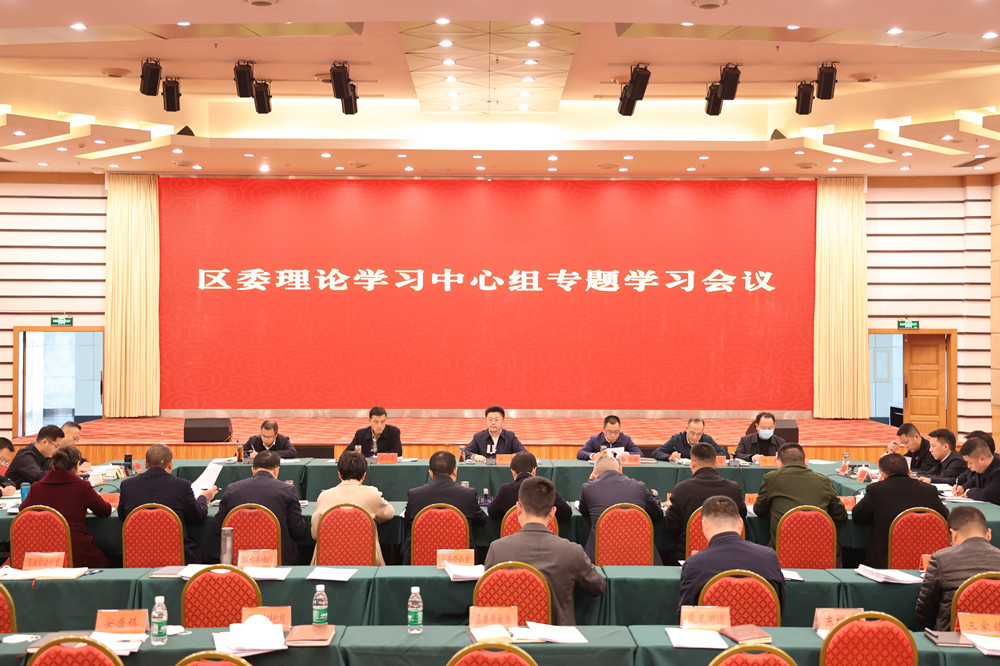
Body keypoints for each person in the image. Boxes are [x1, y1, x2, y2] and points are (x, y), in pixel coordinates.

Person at [484, 476, 606, 625]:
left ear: (518, 508)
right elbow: (598, 586)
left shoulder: (497, 549)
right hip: (558, 637)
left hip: (511, 636)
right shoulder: (572, 551)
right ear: (553, 512)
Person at [678, 496, 785, 611]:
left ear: (704, 524)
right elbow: (779, 608)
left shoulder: (695, 564)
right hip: (762, 622)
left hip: (714, 623)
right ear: (740, 523)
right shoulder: (769, 557)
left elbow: (686, 615)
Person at [117, 444, 218, 564]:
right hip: (179, 557)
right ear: (171, 464)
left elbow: (123, 516)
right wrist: (203, 498)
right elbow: (198, 516)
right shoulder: (182, 486)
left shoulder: (127, 485)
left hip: (136, 557)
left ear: (146, 464)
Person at [852, 453, 949, 568]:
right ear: (909, 472)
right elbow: (945, 517)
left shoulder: (876, 489)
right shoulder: (929, 490)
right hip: (925, 559)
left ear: (883, 474)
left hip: (885, 561)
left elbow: (858, 516)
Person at [21, 444, 111, 567]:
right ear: (77, 466)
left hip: (42, 553)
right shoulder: (82, 487)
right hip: (75, 552)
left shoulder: (37, 487)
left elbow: (23, 511)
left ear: (53, 465)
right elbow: (105, 511)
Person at [214, 451, 308, 565]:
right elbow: (298, 530)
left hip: (238, 559)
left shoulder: (232, 489)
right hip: (279, 559)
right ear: (277, 470)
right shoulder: (287, 490)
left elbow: (219, 527)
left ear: (253, 470)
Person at [915, 506, 1000, 631]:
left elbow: (925, 614)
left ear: (953, 534)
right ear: (988, 534)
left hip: (951, 638)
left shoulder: (941, 559)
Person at [753, 443, 848, 546]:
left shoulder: (771, 478)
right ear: (805, 462)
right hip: (819, 549)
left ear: (779, 462)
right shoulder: (823, 481)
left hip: (782, 548)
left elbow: (759, 510)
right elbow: (840, 516)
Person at [664, 442, 745, 561]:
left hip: (689, 557)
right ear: (716, 464)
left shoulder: (681, 489)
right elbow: (741, 517)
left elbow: (672, 527)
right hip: (728, 556)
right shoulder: (733, 489)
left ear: (693, 464)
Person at [312, 450, 394, 565]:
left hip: (326, 562)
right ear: (364, 475)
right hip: (368, 562)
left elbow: (316, 534)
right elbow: (389, 513)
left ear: (339, 474)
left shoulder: (324, 496)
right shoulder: (372, 494)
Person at [578, 455, 663, 563]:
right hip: (641, 556)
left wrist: (591, 481)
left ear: (595, 475)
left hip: (600, 557)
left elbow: (584, 511)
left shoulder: (588, 488)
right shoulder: (639, 487)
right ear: (620, 470)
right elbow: (657, 514)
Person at [404, 450, 486, 558]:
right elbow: (481, 520)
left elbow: (407, 524)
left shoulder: (414, 495)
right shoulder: (468, 494)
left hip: (420, 559)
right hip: (461, 560)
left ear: (431, 473)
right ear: (455, 471)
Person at [487, 451, 572, 522]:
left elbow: (492, 513)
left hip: (513, 537)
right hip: (542, 536)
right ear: (534, 470)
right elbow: (566, 513)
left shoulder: (505, 490)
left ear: (513, 472)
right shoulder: (546, 488)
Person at [652, 417, 729, 461]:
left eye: (699, 434)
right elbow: (656, 453)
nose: (695, 437)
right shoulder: (677, 439)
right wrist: (669, 457)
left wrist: (707, 457)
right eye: (692, 433)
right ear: (686, 429)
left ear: (703, 432)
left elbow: (725, 454)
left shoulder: (706, 439)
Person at [953, 437, 1000, 504]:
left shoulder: (998, 470)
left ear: (982, 459)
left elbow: (989, 494)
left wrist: (969, 492)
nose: (968, 466)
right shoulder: (982, 468)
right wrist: (963, 488)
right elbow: (974, 480)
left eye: (970, 462)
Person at [577, 415, 642, 461]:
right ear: (603, 430)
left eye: (616, 432)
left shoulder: (626, 439)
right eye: (609, 432)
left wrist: (628, 454)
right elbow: (580, 453)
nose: (613, 435)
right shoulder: (595, 440)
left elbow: (640, 454)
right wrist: (593, 456)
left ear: (620, 429)